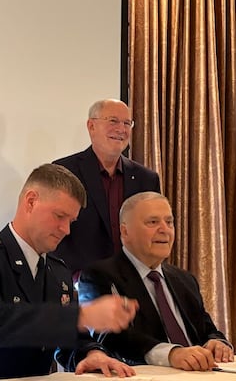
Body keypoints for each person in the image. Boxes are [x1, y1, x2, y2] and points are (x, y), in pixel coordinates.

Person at [0, 163, 140, 381]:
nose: (66, 230)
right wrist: (81, 315)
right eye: (59, 216)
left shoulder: (58, 271)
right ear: (31, 201)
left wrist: (91, 353)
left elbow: (68, 337)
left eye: (71, 221)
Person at [78, 192, 234, 372]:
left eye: (169, 222)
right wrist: (171, 354)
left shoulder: (184, 279)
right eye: (153, 222)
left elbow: (207, 328)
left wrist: (217, 342)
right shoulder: (100, 275)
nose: (164, 229)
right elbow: (111, 338)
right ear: (125, 231)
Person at [53, 99, 161, 274]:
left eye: (127, 123)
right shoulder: (64, 172)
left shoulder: (146, 179)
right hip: (79, 282)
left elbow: (154, 234)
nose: (121, 129)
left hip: (132, 281)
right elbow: (53, 231)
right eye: (113, 121)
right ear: (91, 126)